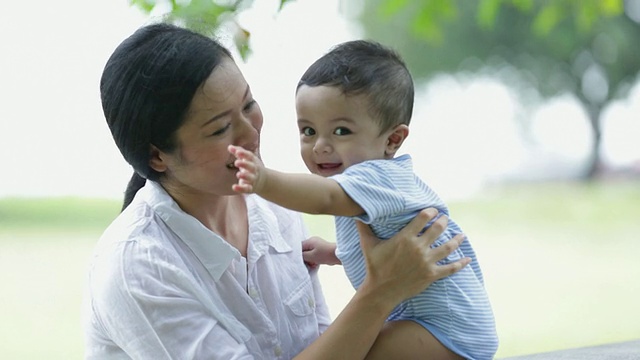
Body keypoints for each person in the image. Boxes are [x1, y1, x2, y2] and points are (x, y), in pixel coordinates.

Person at [83, 23, 472, 359]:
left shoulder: (276, 208)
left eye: (249, 104)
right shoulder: (138, 269)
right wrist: (381, 291)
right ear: (157, 156)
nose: (252, 134)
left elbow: (324, 344)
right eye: (220, 129)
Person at [228, 40, 499, 359]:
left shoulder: (372, 177)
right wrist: (334, 252)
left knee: (352, 351)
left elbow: (323, 200)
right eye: (308, 131)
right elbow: (384, 241)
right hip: (448, 326)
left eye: (341, 131)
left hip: (445, 330)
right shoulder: (375, 184)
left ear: (392, 139)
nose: (320, 146)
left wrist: (263, 179)